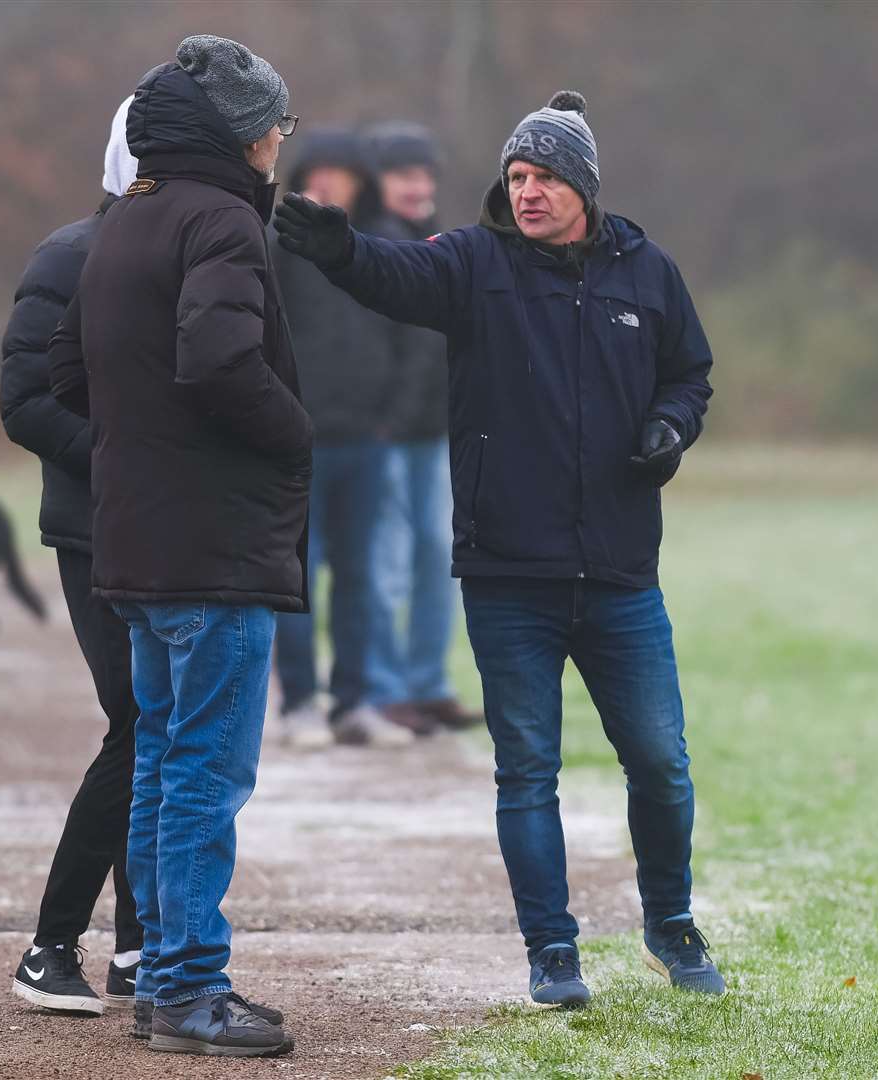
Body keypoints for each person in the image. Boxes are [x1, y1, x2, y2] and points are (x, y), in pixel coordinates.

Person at [274, 91, 725, 1007]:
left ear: (584, 187)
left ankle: (670, 926)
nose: (526, 192)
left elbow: (690, 372)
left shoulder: (649, 272)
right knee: (527, 773)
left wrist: (671, 428)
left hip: (620, 575)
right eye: (516, 177)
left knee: (661, 761)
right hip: (507, 574)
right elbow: (393, 273)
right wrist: (339, 251)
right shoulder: (474, 264)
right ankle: (550, 953)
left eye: (545, 177)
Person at [49, 35, 310, 1057]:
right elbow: (219, 363)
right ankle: (194, 992)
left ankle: (163, 981)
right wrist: (297, 434)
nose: (283, 140)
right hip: (213, 546)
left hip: (136, 540)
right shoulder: (221, 224)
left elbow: (72, 378)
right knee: (204, 767)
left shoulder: (122, 224)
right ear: (247, 135)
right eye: (277, 123)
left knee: (162, 758)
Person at [0, 96, 143, 1017]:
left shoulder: (192, 252)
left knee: (156, 730)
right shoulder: (67, 255)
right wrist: (128, 456)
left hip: (171, 530)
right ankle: (53, 945)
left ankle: (139, 947)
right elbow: (24, 405)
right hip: (97, 530)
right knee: (138, 726)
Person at [264, 128, 413, 749]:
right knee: (294, 575)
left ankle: (356, 703)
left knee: (360, 574)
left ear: (361, 181)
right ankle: (300, 701)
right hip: (298, 440)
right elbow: (262, 334)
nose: (324, 181)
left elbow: (417, 339)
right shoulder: (277, 245)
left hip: (369, 439)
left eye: (339, 171)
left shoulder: (389, 245)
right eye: (315, 170)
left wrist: (394, 416)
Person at [360, 122, 481, 735]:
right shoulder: (363, 249)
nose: (419, 185)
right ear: (377, 180)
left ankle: (426, 683)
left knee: (439, 558)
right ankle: (383, 688)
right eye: (405, 174)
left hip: (432, 432)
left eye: (425, 174)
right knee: (385, 565)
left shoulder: (436, 245)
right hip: (381, 435)